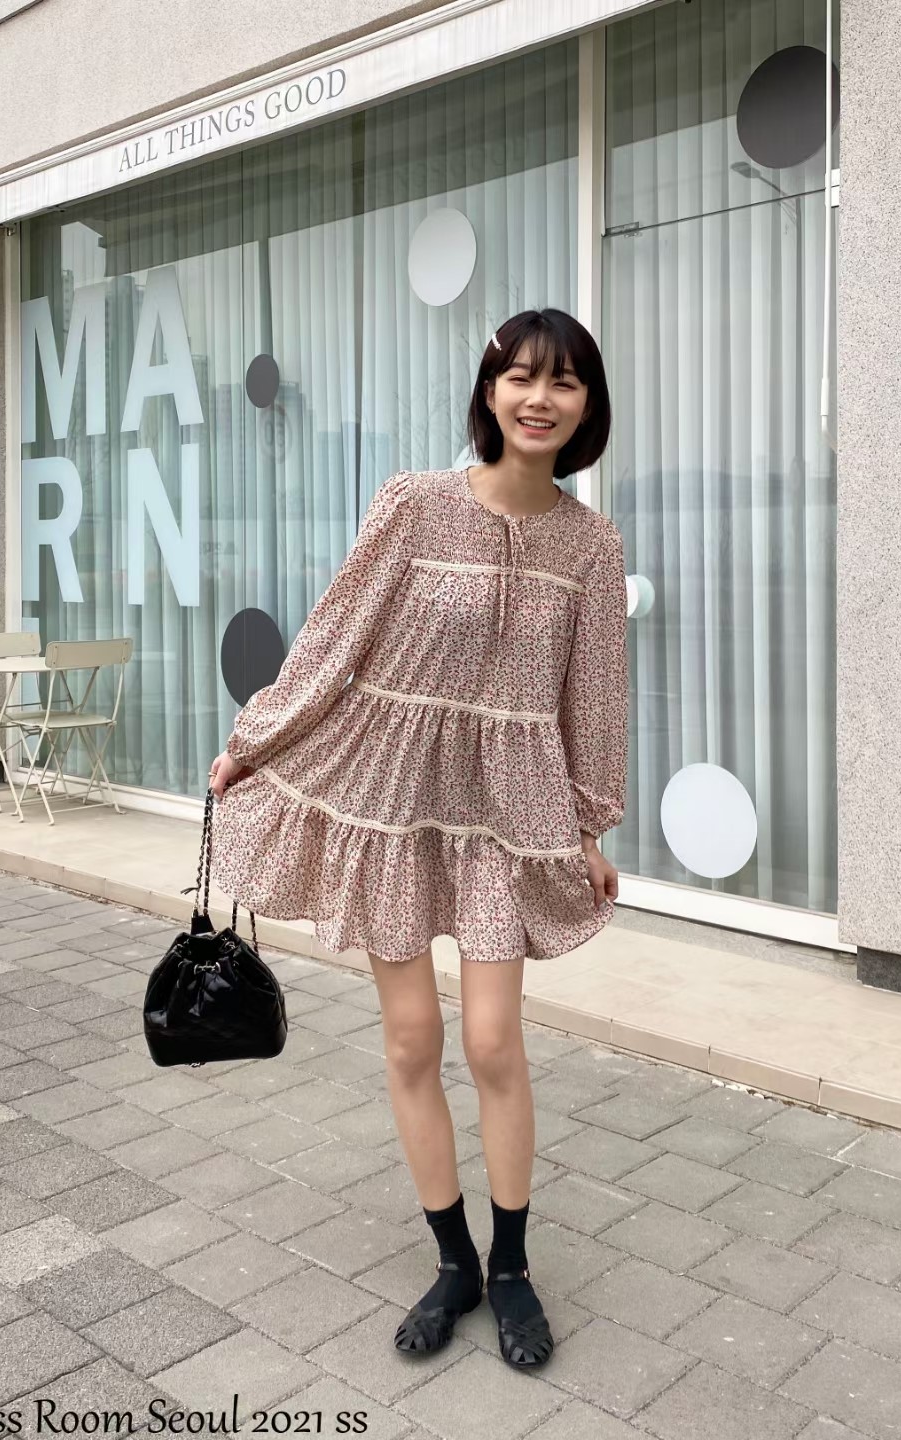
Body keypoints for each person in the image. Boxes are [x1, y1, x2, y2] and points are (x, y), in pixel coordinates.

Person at [207, 308, 628, 1370]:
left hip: (509, 816)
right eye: (521, 377)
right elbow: (334, 639)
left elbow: (593, 698)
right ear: (489, 391)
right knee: (411, 1041)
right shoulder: (416, 504)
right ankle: (454, 1263)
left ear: (587, 404)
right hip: (396, 799)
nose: (540, 398)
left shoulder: (591, 545)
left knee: (492, 1043)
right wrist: (256, 740)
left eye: (565, 382)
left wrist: (588, 825)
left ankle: (514, 1268)